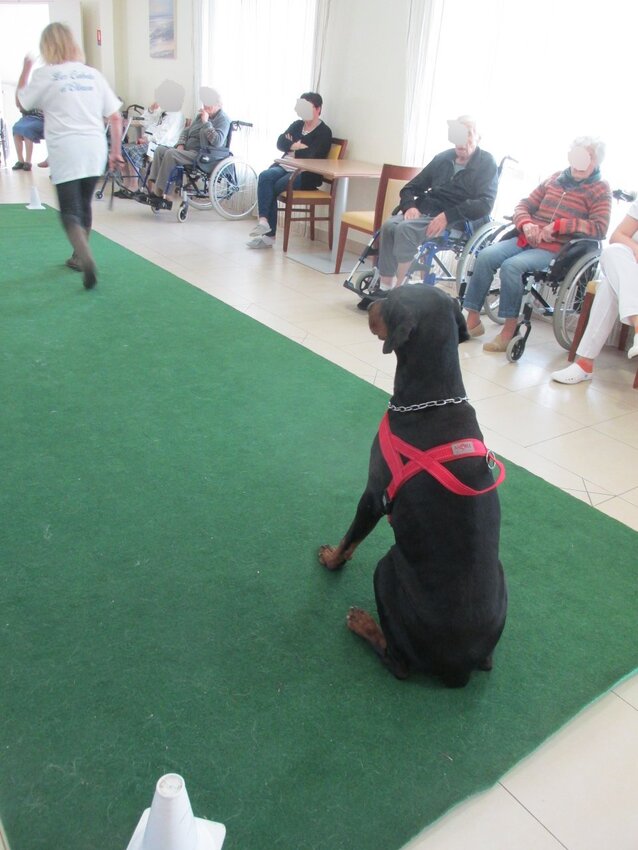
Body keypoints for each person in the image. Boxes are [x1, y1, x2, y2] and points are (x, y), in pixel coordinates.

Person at [464, 137, 612, 352]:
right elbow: (523, 205)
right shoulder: (555, 179)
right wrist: (526, 224)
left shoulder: (599, 189)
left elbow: (599, 228)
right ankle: (473, 320)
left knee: (512, 266)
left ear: (596, 161)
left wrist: (560, 226)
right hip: (527, 237)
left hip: (558, 249)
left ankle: (509, 330)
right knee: (486, 255)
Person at [16, 23, 123, 289]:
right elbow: (116, 117)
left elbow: (22, 102)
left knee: (69, 212)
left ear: (47, 47)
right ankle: (78, 256)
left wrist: (26, 69)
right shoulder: (92, 75)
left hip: (66, 149)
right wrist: (116, 152)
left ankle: (85, 257)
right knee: (84, 204)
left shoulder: (45, 75)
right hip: (94, 148)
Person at [375, 115, 498, 287]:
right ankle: (385, 286)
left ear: (478, 137)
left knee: (405, 229)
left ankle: (399, 290)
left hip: (459, 220)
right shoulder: (443, 158)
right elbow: (410, 187)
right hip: (429, 211)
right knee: (389, 226)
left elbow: (485, 204)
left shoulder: (486, 163)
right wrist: (409, 206)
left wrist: (447, 216)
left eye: (469, 134)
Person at [551, 198, 638, 384]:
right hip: (632, 268)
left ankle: (585, 364)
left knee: (610, 285)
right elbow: (619, 235)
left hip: (629, 273)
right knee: (612, 252)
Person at [247, 92, 332, 249]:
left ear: (318, 109)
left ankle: (268, 237)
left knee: (274, 186)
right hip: (284, 165)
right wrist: (296, 146)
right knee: (265, 176)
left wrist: (293, 147)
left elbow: (313, 155)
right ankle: (264, 221)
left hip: (306, 173)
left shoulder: (324, 132)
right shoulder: (297, 125)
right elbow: (280, 142)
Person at [147, 87, 230, 199]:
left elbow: (217, 141)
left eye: (209, 103)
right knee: (160, 150)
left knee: (171, 154)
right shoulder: (200, 116)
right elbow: (186, 131)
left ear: (218, 104)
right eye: (204, 103)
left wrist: (206, 122)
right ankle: (155, 188)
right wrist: (180, 144)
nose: (205, 106)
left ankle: (162, 193)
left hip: (204, 155)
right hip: (188, 151)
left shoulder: (223, 119)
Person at [11, 103, 45, 171]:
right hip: (27, 118)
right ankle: (20, 160)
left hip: (41, 119)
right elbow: (22, 108)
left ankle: (28, 161)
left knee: (27, 129)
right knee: (15, 128)